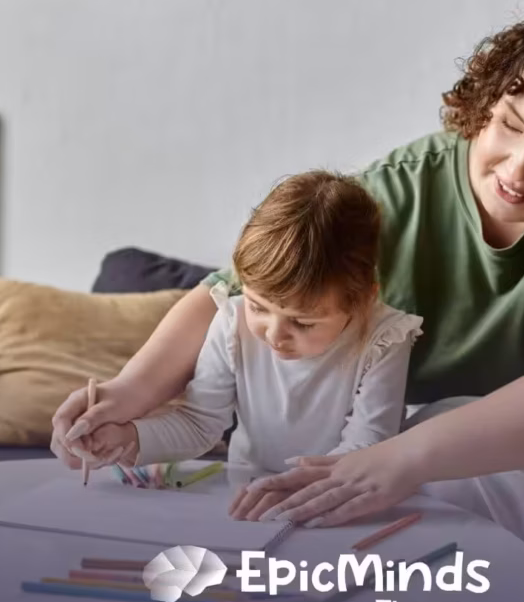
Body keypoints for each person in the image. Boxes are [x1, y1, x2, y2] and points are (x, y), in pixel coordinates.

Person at [52, 0, 524, 602]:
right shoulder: (406, 188)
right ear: (488, 100)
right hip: (454, 438)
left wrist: (401, 459)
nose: (515, 170)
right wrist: (127, 394)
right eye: (507, 125)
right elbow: (231, 293)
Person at [61, 170, 423, 509]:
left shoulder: (385, 337)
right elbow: (199, 423)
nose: (274, 335)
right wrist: (127, 439)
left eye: (303, 322)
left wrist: (301, 487)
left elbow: (367, 447)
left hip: (336, 499)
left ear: (362, 302)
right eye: (258, 306)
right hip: (246, 499)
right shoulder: (232, 321)